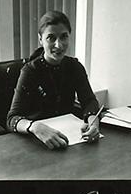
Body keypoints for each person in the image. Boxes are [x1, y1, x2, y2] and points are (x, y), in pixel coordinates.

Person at [6, 10, 102, 150]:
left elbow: (89, 101)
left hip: (70, 141)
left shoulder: (74, 66)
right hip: (36, 142)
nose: (59, 45)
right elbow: (12, 119)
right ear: (41, 40)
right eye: (51, 38)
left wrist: (93, 120)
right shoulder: (30, 71)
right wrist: (35, 127)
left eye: (64, 37)